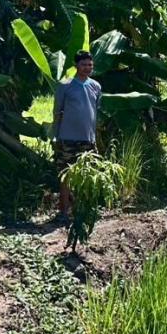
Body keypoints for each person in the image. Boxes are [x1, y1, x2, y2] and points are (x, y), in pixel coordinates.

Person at [53, 50, 102, 218]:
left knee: (87, 175)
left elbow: (95, 110)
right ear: (76, 66)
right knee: (65, 175)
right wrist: (55, 135)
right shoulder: (65, 86)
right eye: (84, 65)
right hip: (67, 138)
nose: (87, 68)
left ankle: (83, 210)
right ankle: (64, 211)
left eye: (90, 65)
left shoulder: (96, 86)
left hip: (88, 139)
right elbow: (57, 111)